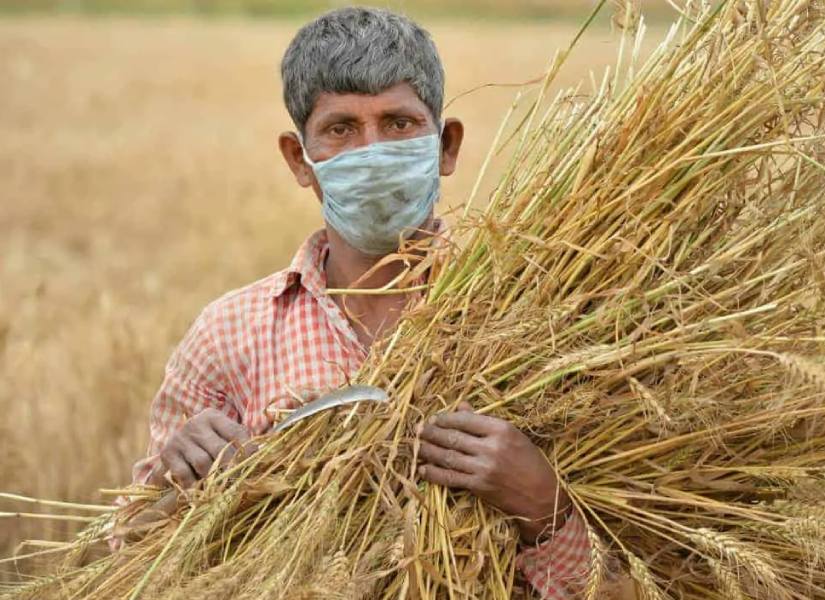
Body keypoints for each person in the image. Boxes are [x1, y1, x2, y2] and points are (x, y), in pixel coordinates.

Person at [128, 7, 632, 599]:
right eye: (341, 129)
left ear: (446, 146)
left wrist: (543, 505)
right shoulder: (228, 335)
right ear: (299, 159)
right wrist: (175, 485)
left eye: (398, 124)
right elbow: (127, 566)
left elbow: (636, 584)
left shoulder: (539, 314)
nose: (372, 152)